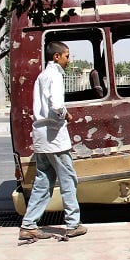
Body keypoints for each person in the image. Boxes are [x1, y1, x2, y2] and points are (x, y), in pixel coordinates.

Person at [19, 41, 87, 240]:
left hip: (41, 135)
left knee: (43, 180)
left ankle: (29, 224)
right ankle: (73, 223)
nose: (68, 60)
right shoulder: (55, 75)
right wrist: (65, 114)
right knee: (68, 178)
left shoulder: (42, 75)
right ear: (56, 57)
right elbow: (56, 104)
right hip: (54, 136)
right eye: (66, 56)